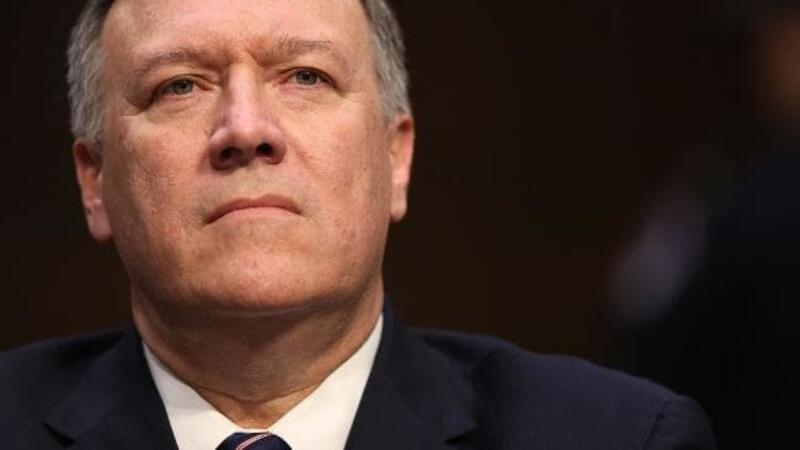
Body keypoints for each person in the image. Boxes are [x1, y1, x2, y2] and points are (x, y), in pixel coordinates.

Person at [0, 0, 716, 449]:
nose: (245, 129)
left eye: (305, 76)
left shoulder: (618, 438)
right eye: (179, 85)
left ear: (395, 158)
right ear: (95, 181)